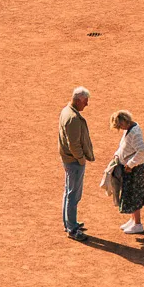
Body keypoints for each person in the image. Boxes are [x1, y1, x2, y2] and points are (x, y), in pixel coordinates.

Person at [59, 87, 95, 239]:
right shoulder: (73, 118)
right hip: (74, 161)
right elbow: (73, 143)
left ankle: (69, 222)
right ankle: (72, 229)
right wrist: (81, 159)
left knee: (69, 192)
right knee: (73, 194)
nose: (86, 104)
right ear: (79, 100)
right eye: (85, 101)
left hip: (69, 159)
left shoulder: (66, 111)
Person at [108, 111, 144, 235]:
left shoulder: (135, 132)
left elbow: (141, 151)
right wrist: (117, 155)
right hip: (130, 170)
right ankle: (133, 220)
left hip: (135, 170)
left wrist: (130, 164)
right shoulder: (129, 129)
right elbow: (123, 147)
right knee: (129, 194)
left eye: (120, 125)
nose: (121, 128)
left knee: (134, 196)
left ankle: (138, 224)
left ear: (125, 120)